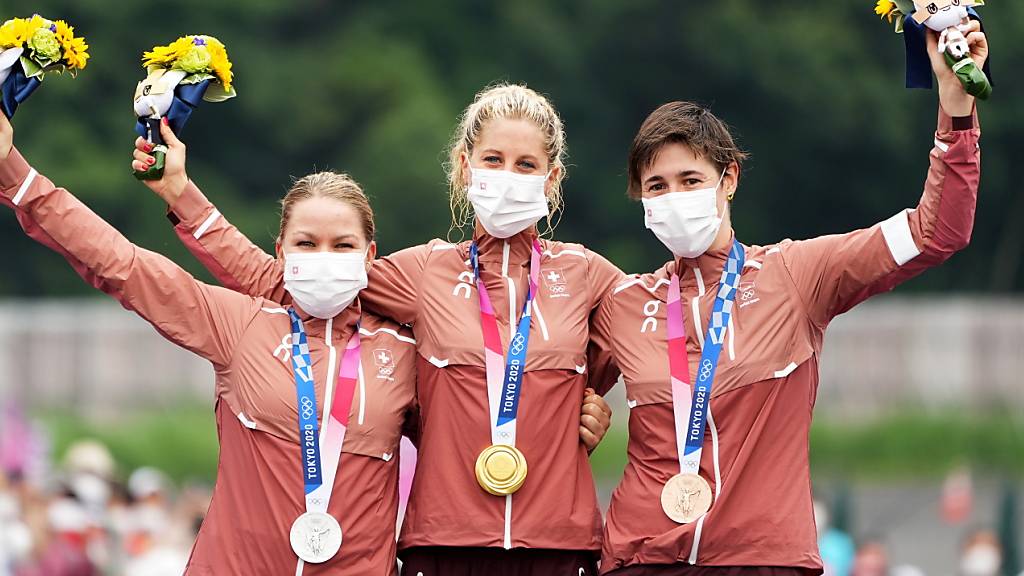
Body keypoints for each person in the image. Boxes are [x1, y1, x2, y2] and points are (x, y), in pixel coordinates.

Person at [136, 83, 621, 574]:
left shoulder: (587, 275)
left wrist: (580, 399)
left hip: (559, 543)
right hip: (443, 544)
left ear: (552, 176)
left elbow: (659, 343)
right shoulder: (425, 271)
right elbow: (287, 279)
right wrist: (183, 196)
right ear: (464, 167)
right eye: (493, 160)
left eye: (525, 165)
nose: (508, 177)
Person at [592, 21, 986, 575]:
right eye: (656, 186)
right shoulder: (621, 303)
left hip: (763, 561)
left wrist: (956, 109)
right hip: (642, 559)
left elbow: (935, 231)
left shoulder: (798, 274)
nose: (673, 197)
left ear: (728, 179)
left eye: (689, 179)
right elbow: (544, 391)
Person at [0, 113, 423, 575]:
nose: (323, 258)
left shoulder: (403, 352)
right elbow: (123, 264)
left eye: (342, 246)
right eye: (306, 243)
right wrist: (15, 174)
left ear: (370, 256)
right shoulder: (241, 326)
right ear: (280, 253)